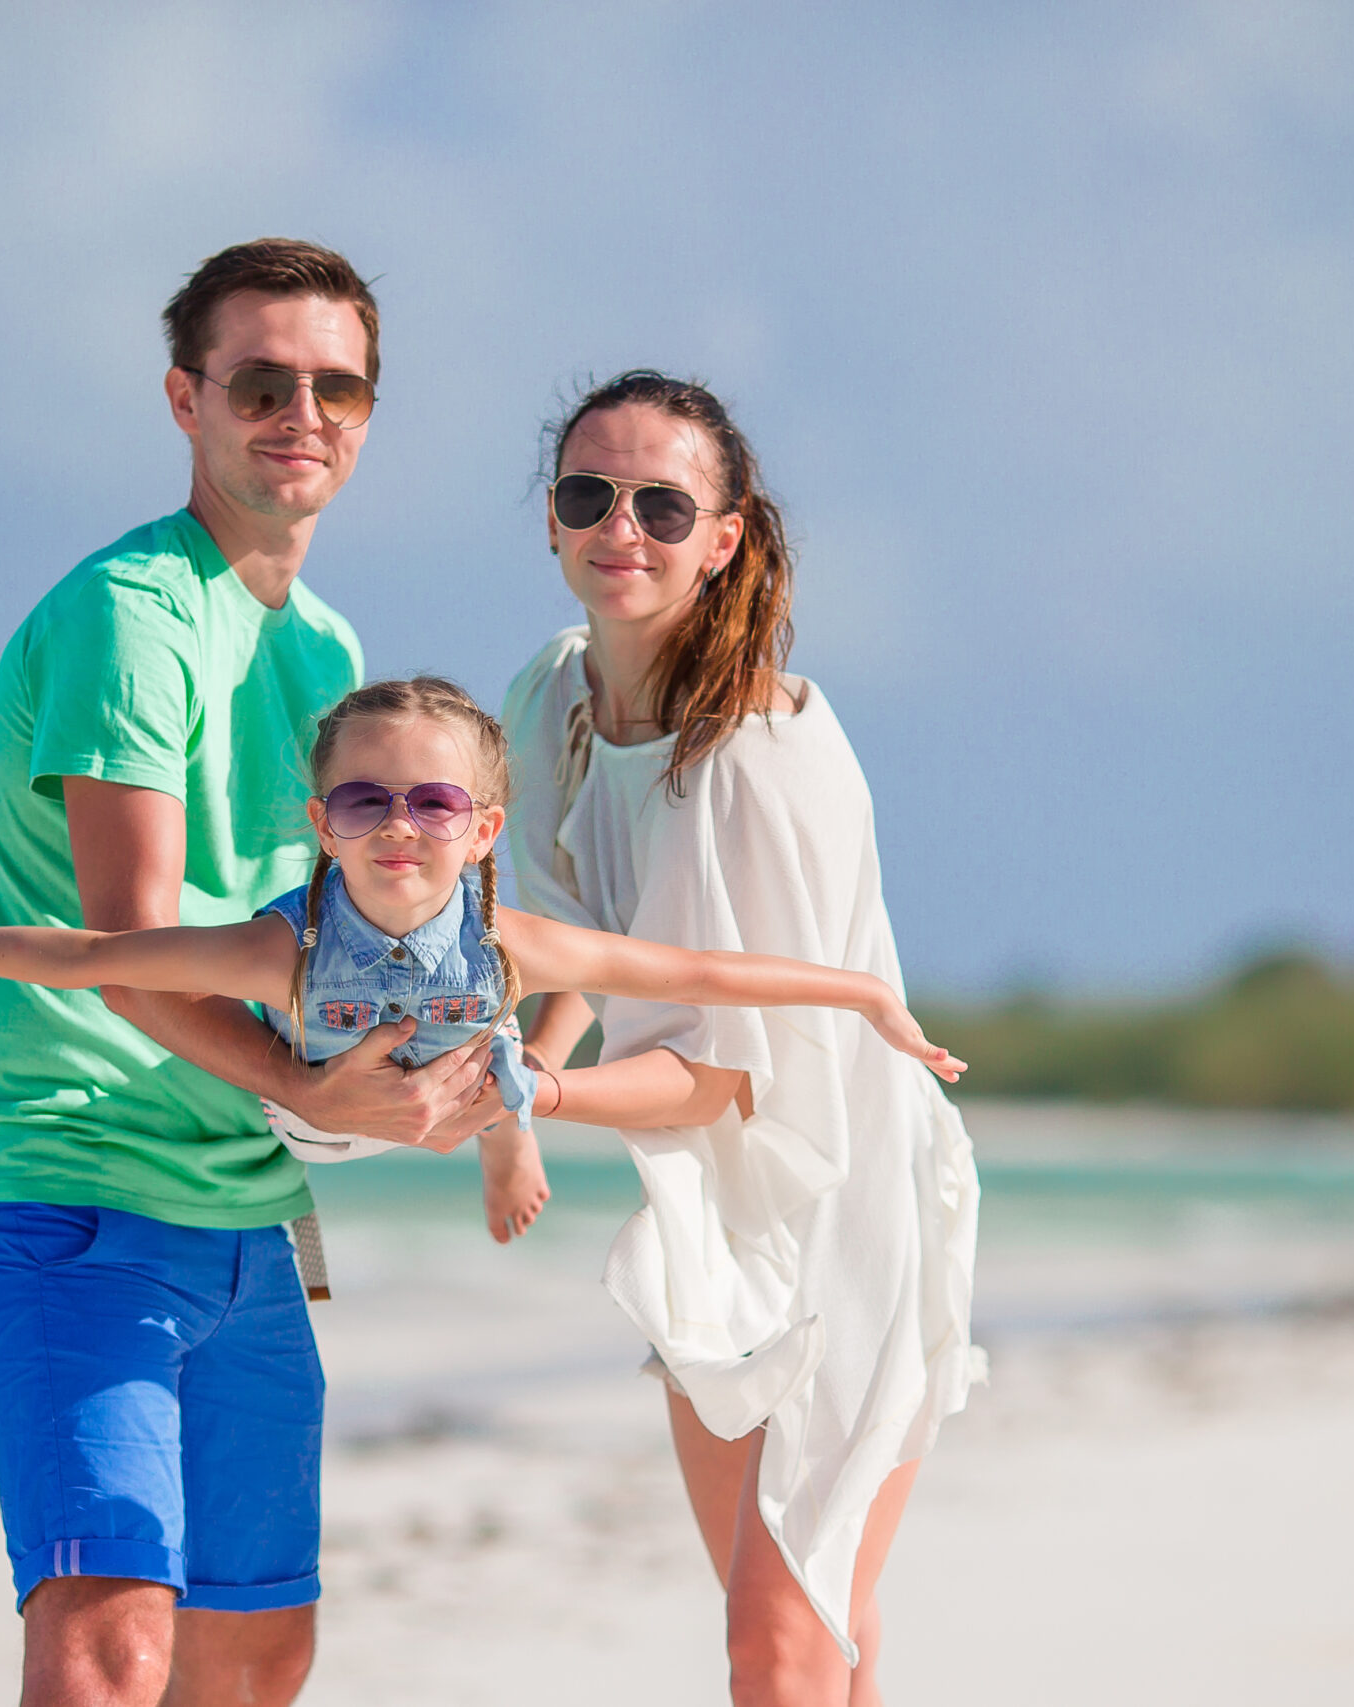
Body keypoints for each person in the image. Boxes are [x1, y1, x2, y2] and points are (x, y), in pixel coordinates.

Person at [0, 238, 506, 1707]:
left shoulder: (327, 647)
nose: (301, 414)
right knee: (110, 1640)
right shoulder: (129, 613)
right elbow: (130, 946)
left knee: (255, 1656)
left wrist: (449, 1082)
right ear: (185, 400)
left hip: (249, 1206)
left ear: (368, 415)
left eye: (337, 388)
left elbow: (356, 933)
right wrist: (316, 1089)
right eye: (260, 383)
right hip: (77, 1187)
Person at [500, 371, 986, 1707]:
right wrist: (526, 1081)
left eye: (663, 506)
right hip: (713, 1213)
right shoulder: (551, 696)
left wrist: (530, 1095)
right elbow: (583, 939)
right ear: (551, 518)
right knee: (821, 1623)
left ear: (722, 538)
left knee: (782, 1643)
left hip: (840, 1205)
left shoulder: (754, 758)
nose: (622, 528)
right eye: (589, 494)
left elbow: (725, 1077)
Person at [0, 676, 965, 1234]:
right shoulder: (285, 949)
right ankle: (497, 1106)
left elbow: (698, 973)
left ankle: (510, 1128)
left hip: (464, 1072)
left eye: (434, 802)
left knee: (549, 1048)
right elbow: (93, 956)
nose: (400, 826)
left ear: (482, 829)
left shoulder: (507, 935)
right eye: (365, 802)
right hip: (319, 1113)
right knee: (229, 1058)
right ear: (323, 826)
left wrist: (866, 992)